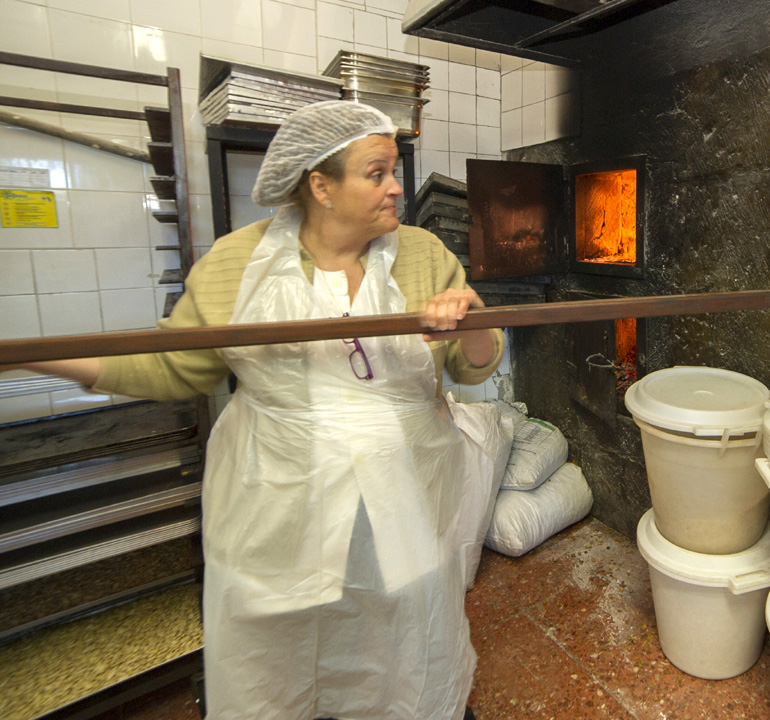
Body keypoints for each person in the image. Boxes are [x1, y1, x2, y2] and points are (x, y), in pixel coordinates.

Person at [20, 101, 502, 720]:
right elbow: (170, 366)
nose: (396, 187)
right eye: (376, 172)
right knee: (279, 657)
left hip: (405, 501)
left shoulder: (424, 254)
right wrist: (29, 360)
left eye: (394, 171)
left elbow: (474, 366)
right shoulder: (234, 265)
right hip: (278, 507)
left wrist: (473, 321)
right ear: (320, 186)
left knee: (404, 639)